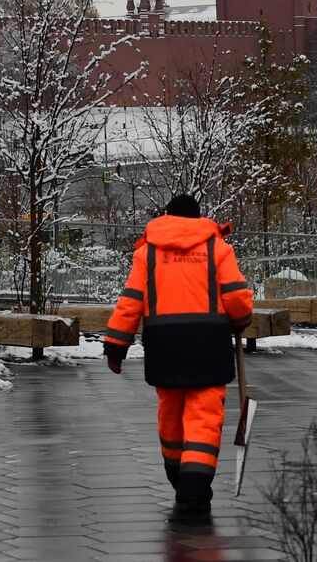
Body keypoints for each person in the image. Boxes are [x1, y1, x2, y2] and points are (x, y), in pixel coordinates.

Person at [103, 194, 254, 513]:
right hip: (208, 346)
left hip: (165, 346)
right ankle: (194, 485)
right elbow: (236, 295)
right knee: (204, 417)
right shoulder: (217, 248)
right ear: (198, 218)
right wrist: (241, 320)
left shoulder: (148, 252)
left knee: (170, 415)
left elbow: (130, 300)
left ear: (167, 217)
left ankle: (177, 474)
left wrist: (116, 346)